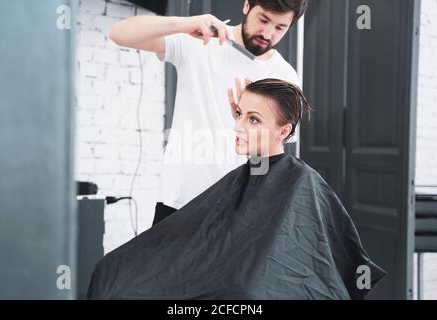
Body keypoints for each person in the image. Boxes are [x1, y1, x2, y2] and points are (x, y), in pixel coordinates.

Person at [87, 79, 387, 300]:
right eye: (239, 114)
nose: (239, 126)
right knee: (109, 271)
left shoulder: (300, 182)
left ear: (283, 131)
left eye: (253, 119)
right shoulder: (244, 175)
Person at [109, 0, 309, 225]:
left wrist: (247, 121)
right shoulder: (200, 41)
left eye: (280, 27)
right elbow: (119, 34)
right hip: (179, 202)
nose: (268, 33)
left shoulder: (286, 77)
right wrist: (183, 24)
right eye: (263, 19)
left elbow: (273, 155)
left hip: (238, 210)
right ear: (246, 6)